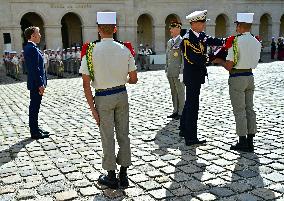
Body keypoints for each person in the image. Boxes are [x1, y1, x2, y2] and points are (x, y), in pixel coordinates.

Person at [79, 12, 138, 189]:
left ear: (98, 30)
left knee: (107, 137)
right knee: (123, 134)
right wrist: (120, 80)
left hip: (102, 97)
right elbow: (134, 79)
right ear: (115, 29)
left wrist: (93, 110)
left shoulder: (89, 51)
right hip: (121, 94)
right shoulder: (125, 49)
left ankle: (111, 175)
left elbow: (86, 85)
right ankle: (124, 174)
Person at [213, 13, 261, 152]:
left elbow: (229, 65)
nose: (236, 29)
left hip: (237, 77)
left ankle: (242, 141)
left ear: (240, 26)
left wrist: (219, 60)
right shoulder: (256, 41)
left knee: (239, 110)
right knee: (250, 109)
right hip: (250, 76)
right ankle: (251, 140)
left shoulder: (235, 42)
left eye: (237, 26)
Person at [179, 10, 224, 146]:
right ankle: (191, 137)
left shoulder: (200, 35)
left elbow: (212, 40)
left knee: (189, 103)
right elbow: (195, 58)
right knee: (193, 106)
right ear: (194, 24)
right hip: (192, 76)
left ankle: (183, 129)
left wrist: (225, 42)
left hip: (196, 76)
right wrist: (212, 58)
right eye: (202, 22)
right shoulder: (187, 39)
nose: (204, 25)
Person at [23, 26, 49, 139]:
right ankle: (34, 132)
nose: (40, 35)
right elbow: (35, 69)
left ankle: (36, 128)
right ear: (33, 35)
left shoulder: (32, 47)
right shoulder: (31, 48)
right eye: (38, 33)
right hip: (35, 84)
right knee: (34, 108)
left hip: (35, 83)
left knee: (35, 107)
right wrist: (40, 84)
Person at [165, 21, 185, 120]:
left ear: (178, 29)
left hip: (178, 72)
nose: (170, 30)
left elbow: (183, 59)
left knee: (180, 92)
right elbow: (167, 56)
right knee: (173, 92)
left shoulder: (182, 42)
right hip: (170, 71)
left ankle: (181, 111)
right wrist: (166, 69)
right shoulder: (170, 42)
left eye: (172, 28)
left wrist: (182, 72)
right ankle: (175, 110)